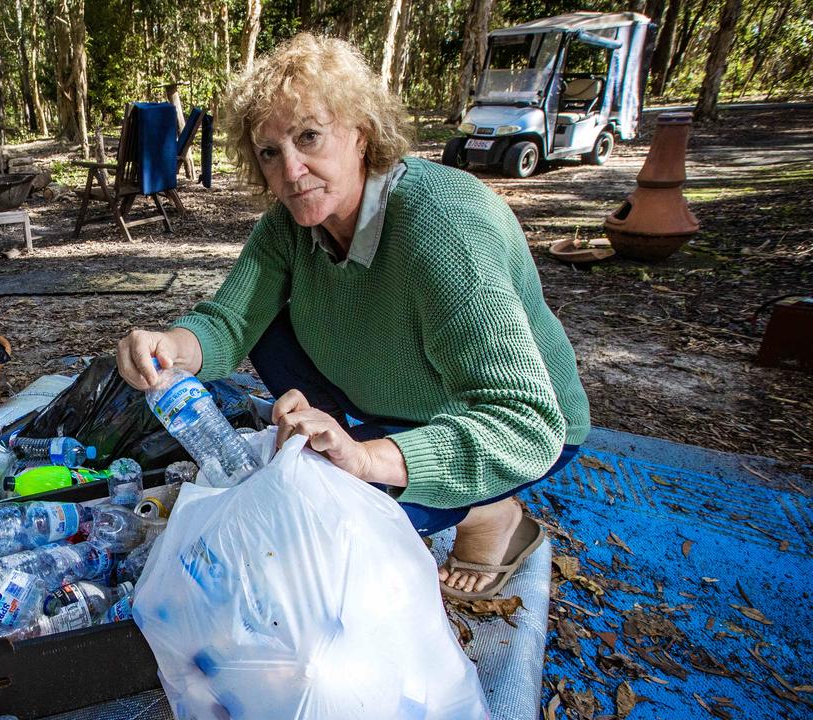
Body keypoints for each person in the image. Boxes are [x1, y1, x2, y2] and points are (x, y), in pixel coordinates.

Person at [116, 33, 590, 601]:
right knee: (275, 353)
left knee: (334, 523)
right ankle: (370, 447)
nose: (291, 172)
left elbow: (525, 423)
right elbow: (230, 321)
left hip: (514, 428)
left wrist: (364, 460)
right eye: (270, 152)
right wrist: (168, 345)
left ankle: (490, 515)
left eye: (309, 137)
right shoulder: (288, 225)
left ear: (361, 134)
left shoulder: (444, 228)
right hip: (392, 399)